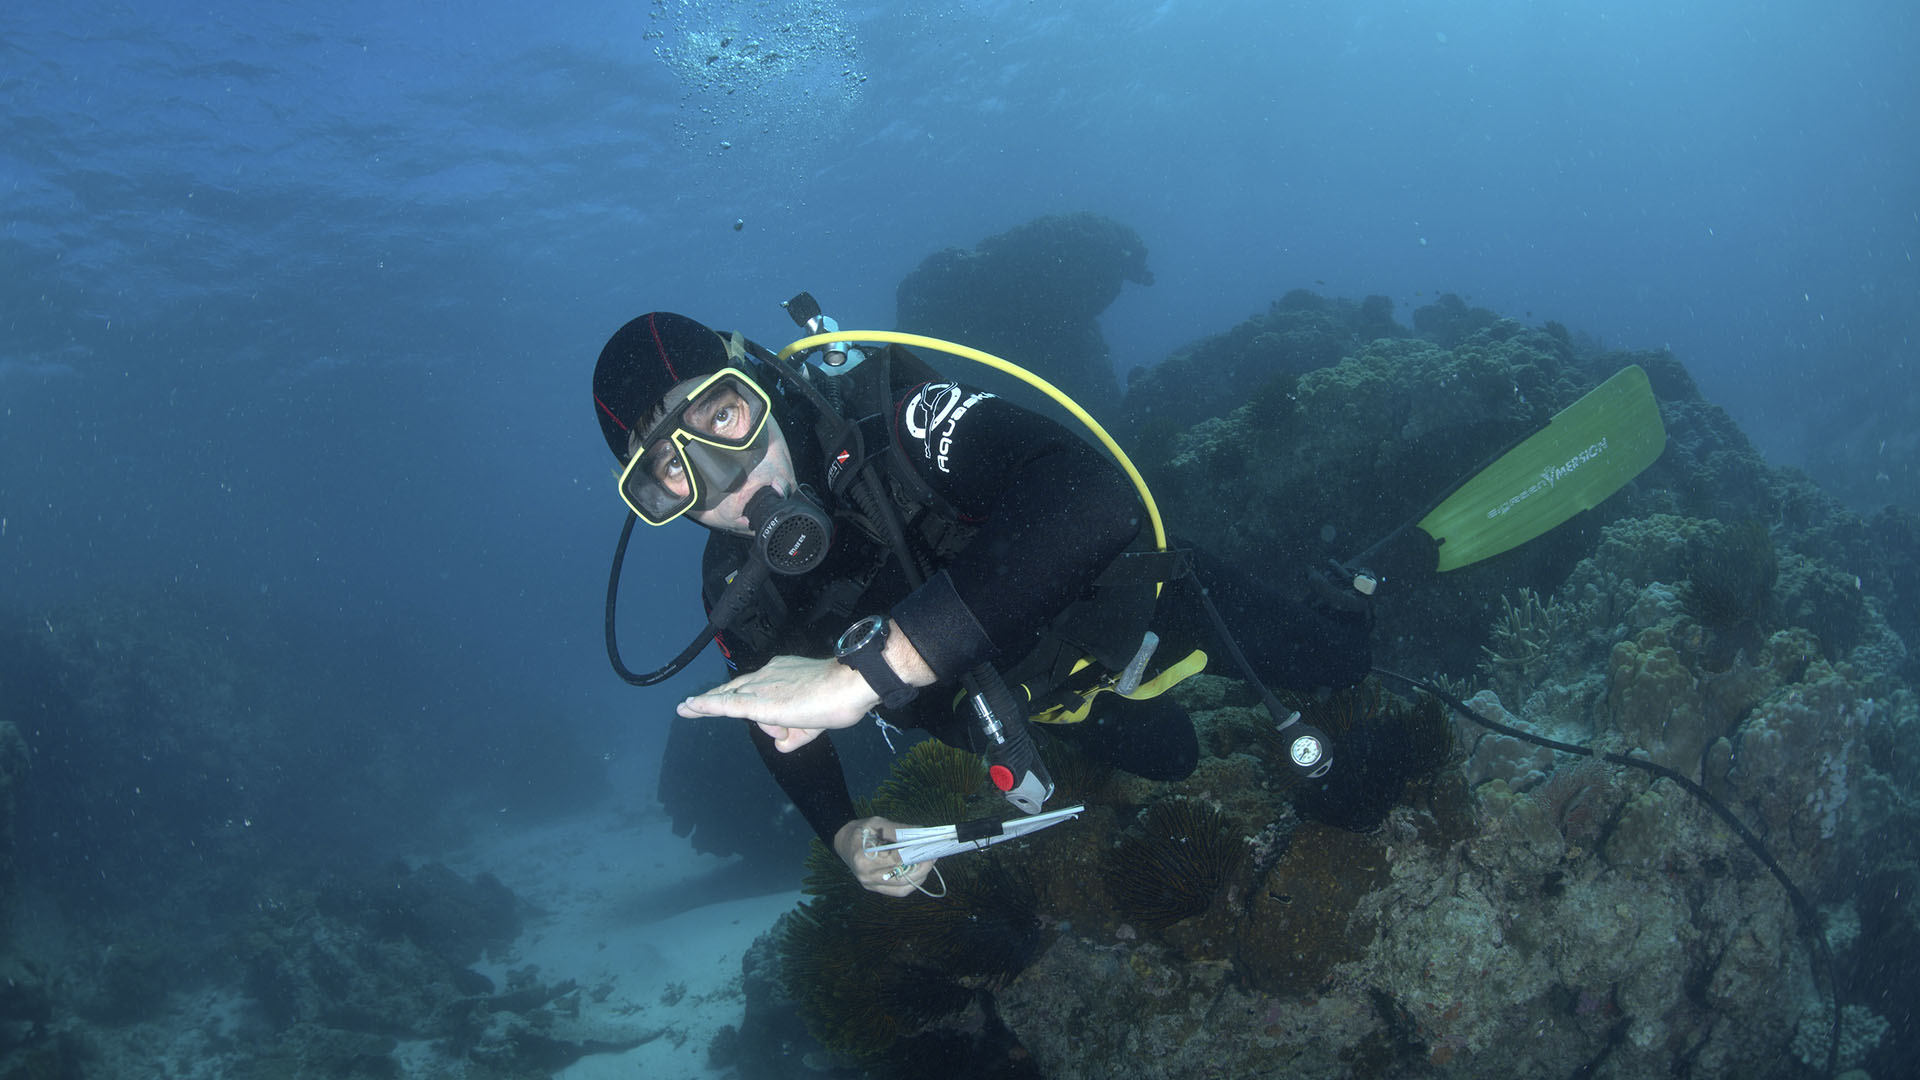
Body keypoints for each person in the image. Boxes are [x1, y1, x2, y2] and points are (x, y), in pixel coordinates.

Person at [591, 307, 1372, 896]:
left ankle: (1349, 589)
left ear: (755, 383)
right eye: (671, 471)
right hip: (1045, 708)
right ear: (655, 499)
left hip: (1147, 600)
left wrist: (868, 674)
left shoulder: (890, 424)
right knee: (1174, 756)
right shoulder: (733, 593)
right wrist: (844, 833)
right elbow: (782, 725)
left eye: (722, 417)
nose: (726, 477)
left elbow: (1094, 501)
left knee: (1342, 662)